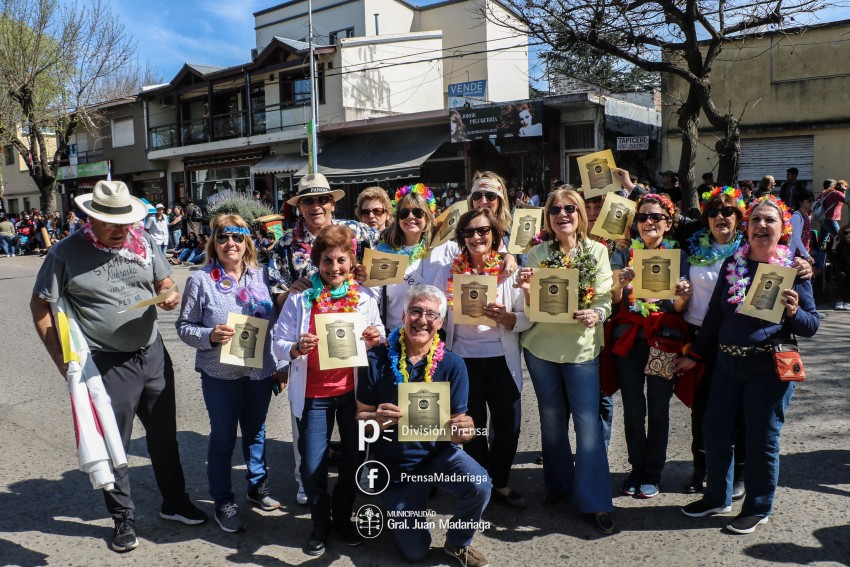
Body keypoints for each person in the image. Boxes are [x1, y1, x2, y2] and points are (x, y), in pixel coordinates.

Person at [29, 180, 206, 553]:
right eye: (110, 222)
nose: (119, 229)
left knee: (163, 437)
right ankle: (123, 519)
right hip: (107, 362)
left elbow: (165, 280)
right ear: (90, 218)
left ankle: (175, 503)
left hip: (153, 354)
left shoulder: (142, 240)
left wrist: (169, 295)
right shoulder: (64, 253)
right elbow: (40, 305)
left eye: (124, 221)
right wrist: (63, 362)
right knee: (115, 444)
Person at [678, 195, 819, 534]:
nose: (761, 225)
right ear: (747, 226)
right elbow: (714, 316)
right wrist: (694, 355)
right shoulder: (733, 263)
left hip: (767, 368)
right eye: (756, 219)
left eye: (770, 220)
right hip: (727, 363)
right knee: (715, 432)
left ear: (782, 229)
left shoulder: (793, 268)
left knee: (761, 439)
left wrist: (793, 312)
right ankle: (717, 497)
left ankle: (758, 507)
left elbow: (811, 324)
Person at [356, 285, 491, 567]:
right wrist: (374, 420)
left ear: (440, 323)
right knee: (415, 553)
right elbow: (360, 420)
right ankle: (398, 510)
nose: (422, 320)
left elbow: (459, 429)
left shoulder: (453, 364)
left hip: (438, 456)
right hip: (395, 465)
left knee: (479, 483)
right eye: (416, 311)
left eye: (431, 314)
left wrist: (465, 431)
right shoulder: (376, 359)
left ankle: (458, 543)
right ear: (404, 316)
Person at [267, 173, 379, 504]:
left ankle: (359, 476)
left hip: (351, 340)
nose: (316, 206)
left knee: (358, 421)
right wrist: (289, 292)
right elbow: (274, 293)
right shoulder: (284, 244)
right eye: (308, 200)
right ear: (299, 206)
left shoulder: (359, 232)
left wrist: (368, 275)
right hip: (307, 345)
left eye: (322, 199)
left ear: (332, 203)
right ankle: (306, 482)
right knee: (305, 427)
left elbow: (392, 256)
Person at [272, 224, 383, 556]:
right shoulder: (300, 299)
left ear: (351, 261)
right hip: (314, 395)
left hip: (353, 394)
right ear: (317, 262)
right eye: (327, 261)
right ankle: (320, 522)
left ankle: (343, 516)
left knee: (353, 458)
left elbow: (379, 330)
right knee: (312, 464)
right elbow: (278, 342)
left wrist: (375, 336)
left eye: (341, 260)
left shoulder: (364, 296)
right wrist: (296, 347)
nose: (334, 268)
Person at [176, 214, 284, 533]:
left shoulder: (263, 276)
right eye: (222, 237)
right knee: (223, 438)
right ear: (214, 243)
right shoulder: (201, 280)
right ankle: (223, 500)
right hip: (219, 373)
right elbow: (184, 326)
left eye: (237, 237)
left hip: (259, 371)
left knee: (256, 431)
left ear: (247, 242)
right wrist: (209, 335)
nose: (230, 243)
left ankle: (257, 486)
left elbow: (279, 324)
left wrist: (280, 366)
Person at [517, 189, 615, 533]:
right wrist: (525, 290)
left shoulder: (597, 251)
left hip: (581, 349)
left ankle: (596, 500)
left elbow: (605, 298)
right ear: (548, 217)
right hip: (541, 348)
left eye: (570, 208)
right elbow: (532, 311)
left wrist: (597, 313)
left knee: (588, 426)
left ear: (580, 214)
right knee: (552, 421)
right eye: (555, 209)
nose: (563, 214)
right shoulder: (537, 254)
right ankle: (558, 484)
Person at [437, 208, 531, 511]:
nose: (476, 237)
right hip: (463, 361)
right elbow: (434, 309)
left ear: (495, 235)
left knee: (508, 426)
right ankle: (481, 483)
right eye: (469, 232)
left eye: (483, 231)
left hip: (501, 359)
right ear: (462, 237)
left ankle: (500, 481)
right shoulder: (448, 271)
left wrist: (507, 318)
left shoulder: (509, 271)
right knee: (472, 428)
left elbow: (527, 317)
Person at [602, 193, 694, 499]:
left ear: (668, 223)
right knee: (632, 410)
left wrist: (682, 294)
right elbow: (615, 300)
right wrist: (619, 283)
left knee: (657, 408)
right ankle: (636, 468)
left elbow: (678, 308)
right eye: (642, 217)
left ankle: (653, 472)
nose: (649, 222)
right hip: (629, 339)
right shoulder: (624, 253)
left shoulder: (678, 256)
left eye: (656, 217)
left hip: (663, 339)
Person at [371, 183, 441, 329]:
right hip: (394, 334)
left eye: (417, 212)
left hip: (430, 334)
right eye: (404, 213)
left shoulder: (442, 249)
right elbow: (372, 295)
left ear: (428, 216)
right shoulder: (383, 252)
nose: (410, 217)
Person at [815, 179, 846, 247]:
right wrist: (843, 191)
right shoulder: (836, 193)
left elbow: (816, 201)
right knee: (839, 238)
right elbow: (847, 200)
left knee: (822, 241)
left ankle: (817, 253)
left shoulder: (823, 193)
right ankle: (841, 253)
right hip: (830, 219)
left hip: (823, 219)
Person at [789, 190, 815, 265]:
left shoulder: (807, 215)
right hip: (796, 253)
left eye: (812, 200)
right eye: (809, 200)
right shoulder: (797, 216)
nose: (811, 202)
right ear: (801, 202)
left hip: (803, 252)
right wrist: (807, 255)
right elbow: (796, 238)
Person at [833, 224, 850, 310]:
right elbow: (832, 258)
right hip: (841, 269)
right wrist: (834, 245)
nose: (848, 234)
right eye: (846, 233)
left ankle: (848, 300)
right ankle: (840, 300)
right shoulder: (840, 245)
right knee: (842, 275)